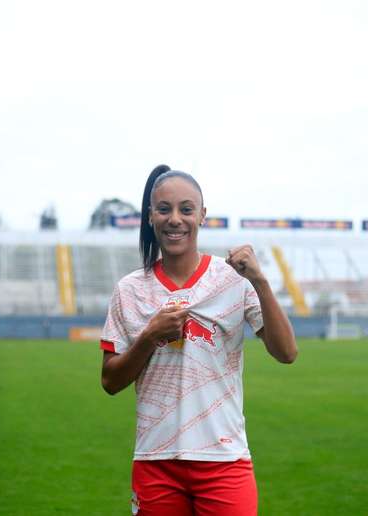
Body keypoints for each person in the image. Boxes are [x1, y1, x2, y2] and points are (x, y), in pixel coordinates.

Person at [100, 164, 298, 515]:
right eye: (164, 209)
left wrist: (261, 282)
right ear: (150, 216)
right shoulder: (130, 290)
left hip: (224, 459)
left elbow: (286, 353)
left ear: (202, 215)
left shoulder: (233, 280)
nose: (175, 219)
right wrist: (150, 336)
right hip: (156, 460)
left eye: (186, 209)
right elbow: (110, 381)